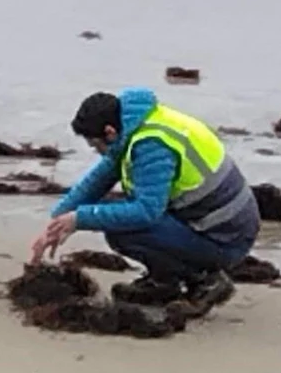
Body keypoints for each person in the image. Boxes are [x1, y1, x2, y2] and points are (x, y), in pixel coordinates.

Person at [31, 87, 260, 311]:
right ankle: (164, 282)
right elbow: (99, 179)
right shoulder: (135, 124)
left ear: (110, 132)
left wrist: (80, 218)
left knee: (122, 230)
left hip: (226, 238)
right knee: (114, 216)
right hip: (212, 223)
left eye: (96, 145)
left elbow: (146, 212)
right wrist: (58, 219)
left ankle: (205, 280)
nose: (98, 152)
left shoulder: (152, 146)